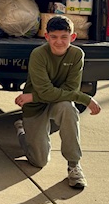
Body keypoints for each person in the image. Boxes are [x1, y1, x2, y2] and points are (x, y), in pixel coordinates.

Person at [14, 15, 101, 189]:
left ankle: (74, 165)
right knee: (39, 161)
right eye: (53, 37)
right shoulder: (38, 54)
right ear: (46, 37)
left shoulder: (77, 54)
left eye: (64, 37)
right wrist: (85, 98)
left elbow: (71, 91)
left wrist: (33, 95)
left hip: (53, 102)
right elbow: (45, 90)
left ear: (73, 37)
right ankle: (22, 131)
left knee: (68, 108)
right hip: (35, 107)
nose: (59, 42)